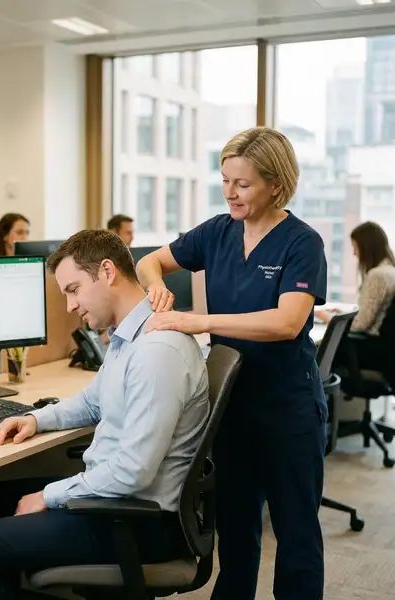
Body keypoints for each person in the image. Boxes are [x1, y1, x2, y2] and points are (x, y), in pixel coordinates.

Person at [0, 229, 209, 600]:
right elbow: (94, 401)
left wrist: (48, 495)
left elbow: (132, 472)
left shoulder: (158, 350)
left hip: (140, 521)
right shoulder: (130, 336)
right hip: (119, 503)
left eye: (73, 290)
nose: (70, 306)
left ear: (107, 272)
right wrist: (36, 420)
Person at [136, 126, 328, 600]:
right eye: (225, 180)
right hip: (232, 410)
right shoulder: (217, 232)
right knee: (236, 535)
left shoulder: (302, 243)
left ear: (276, 185)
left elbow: (286, 322)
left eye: (242, 184)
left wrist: (195, 321)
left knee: (296, 538)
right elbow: (147, 261)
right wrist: (155, 285)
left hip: (288, 410)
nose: (230, 192)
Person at [316, 221, 395, 335]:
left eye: (355, 247)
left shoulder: (377, 275)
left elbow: (359, 325)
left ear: (366, 248)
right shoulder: (390, 271)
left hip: (368, 344)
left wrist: (326, 317)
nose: (354, 253)